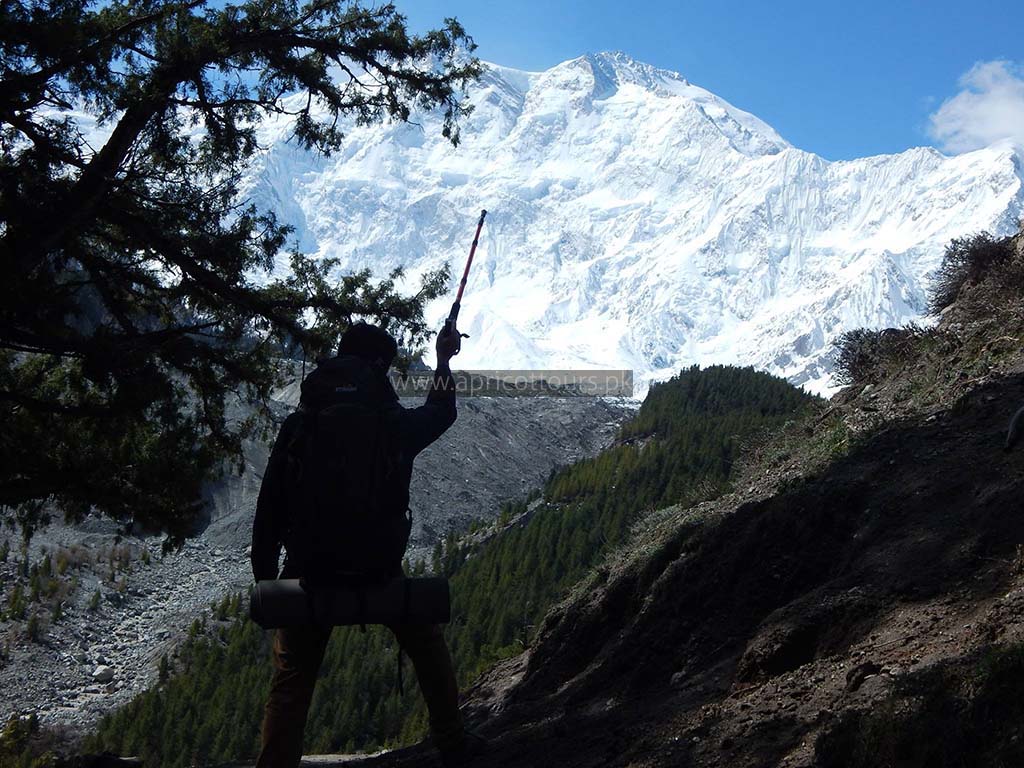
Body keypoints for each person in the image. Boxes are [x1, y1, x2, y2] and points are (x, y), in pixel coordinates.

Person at [250, 321, 481, 767]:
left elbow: (270, 510)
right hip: (378, 571)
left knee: (292, 678)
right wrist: (443, 360)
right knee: (427, 646)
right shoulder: (392, 424)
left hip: (310, 574)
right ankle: (453, 743)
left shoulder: (300, 425)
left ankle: (276, 763)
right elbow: (441, 411)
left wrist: (267, 583)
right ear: (379, 365)